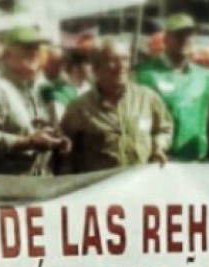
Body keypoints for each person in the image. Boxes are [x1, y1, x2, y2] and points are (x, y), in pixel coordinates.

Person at [61, 39, 172, 173]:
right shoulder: (80, 108)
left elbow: (164, 129)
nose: (121, 66)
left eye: (125, 59)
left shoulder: (147, 98)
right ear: (96, 67)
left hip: (141, 181)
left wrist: (158, 147)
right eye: (112, 60)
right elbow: (66, 152)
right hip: (101, 183)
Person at [0, 26, 69, 176]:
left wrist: (59, 141)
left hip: (41, 181)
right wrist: (27, 142)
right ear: (7, 54)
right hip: (6, 183)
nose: (34, 52)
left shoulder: (41, 89)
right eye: (27, 48)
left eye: (37, 47)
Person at [134, 13, 209, 161]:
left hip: (195, 160)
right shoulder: (144, 74)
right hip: (158, 158)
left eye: (188, 35)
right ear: (166, 39)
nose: (184, 39)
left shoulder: (206, 77)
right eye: (178, 35)